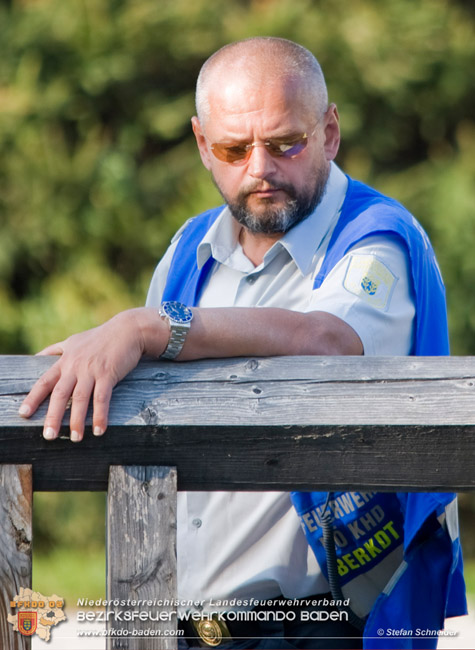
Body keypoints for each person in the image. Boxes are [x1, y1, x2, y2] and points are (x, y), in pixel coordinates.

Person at [19, 37, 466, 649]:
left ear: (330, 133)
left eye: (286, 143)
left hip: (318, 628)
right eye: (233, 148)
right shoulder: (187, 248)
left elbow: (329, 341)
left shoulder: (377, 236)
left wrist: (149, 327)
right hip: (171, 621)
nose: (259, 168)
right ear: (203, 144)